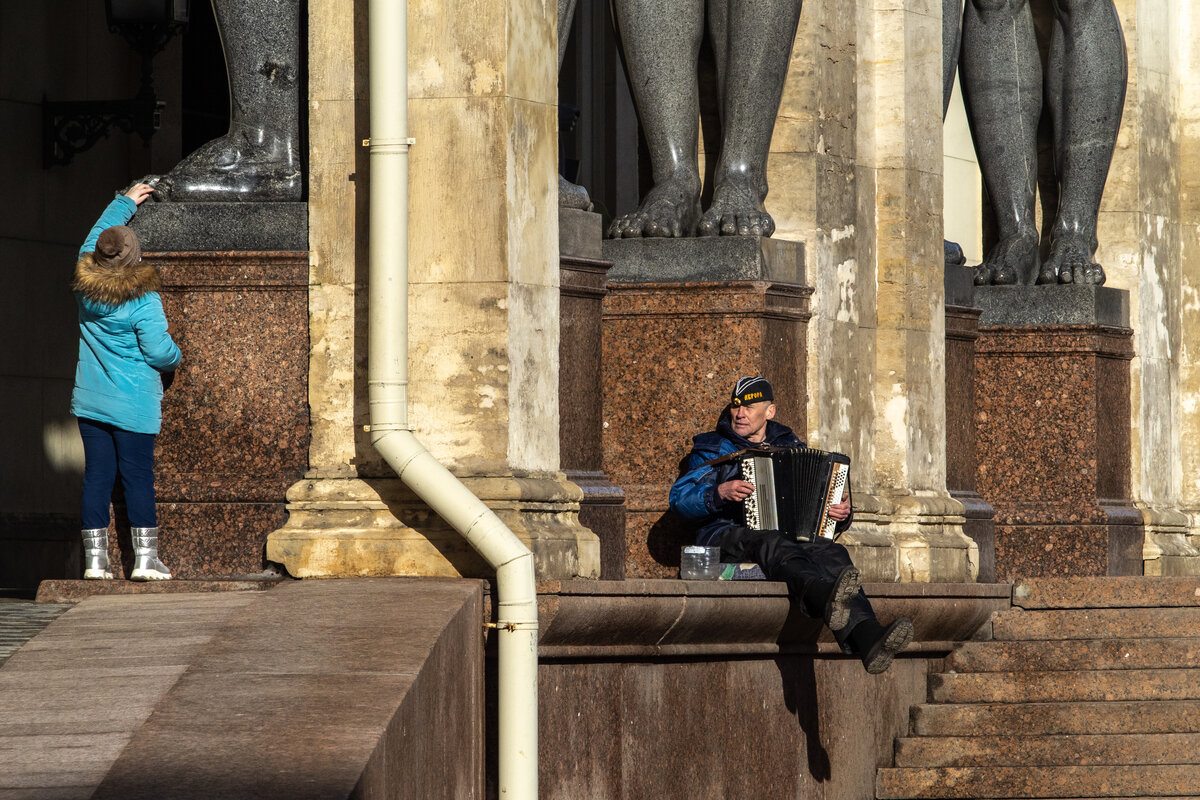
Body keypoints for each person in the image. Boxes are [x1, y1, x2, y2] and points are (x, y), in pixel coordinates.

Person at [669, 377, 913, 673]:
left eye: (749, 406)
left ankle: (868, 637)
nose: (740, 413)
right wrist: (718, 493)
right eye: (736, 406)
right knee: (772, 542)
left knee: (832, 553)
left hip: (782, 538)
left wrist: (839, 513)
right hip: (722, 533)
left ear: (769, 412)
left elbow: (814, 507)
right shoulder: (713, 447)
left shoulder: (789, 445)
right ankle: (823, 596)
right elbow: (679, 499)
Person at [71, 183, 182, 581]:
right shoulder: (143, 298)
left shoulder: (85, 286)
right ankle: (146, 561)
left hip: (92, 401)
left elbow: (92, 241)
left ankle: (95, 563)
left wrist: (122, 202)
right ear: (135, 256)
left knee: (97, 478)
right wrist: (178, 357)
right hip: (133, 404)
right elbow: (158, 352)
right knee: (137, 477)